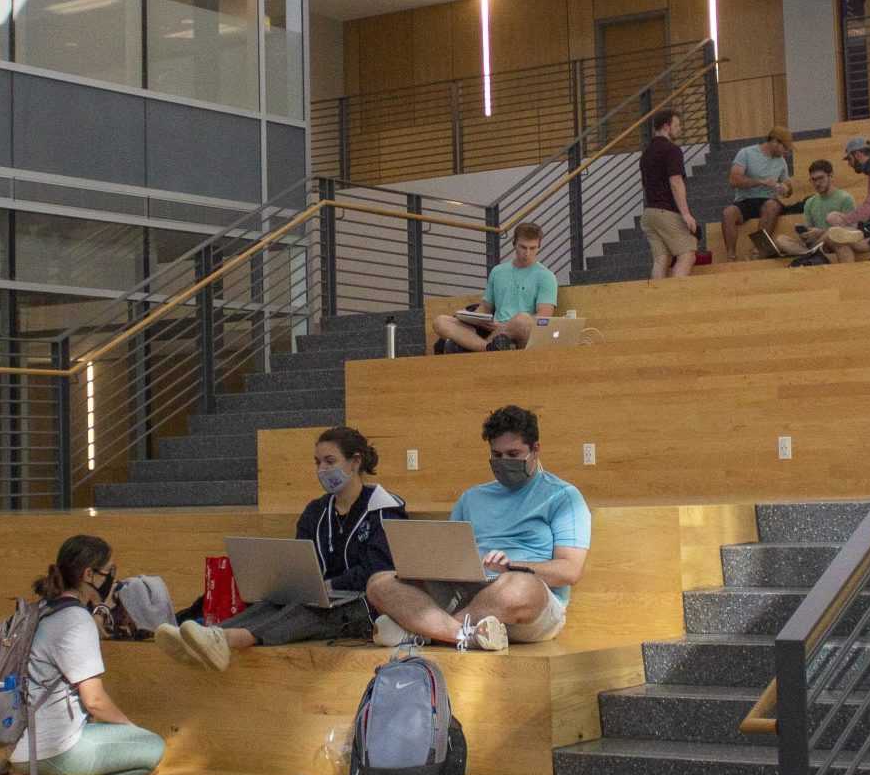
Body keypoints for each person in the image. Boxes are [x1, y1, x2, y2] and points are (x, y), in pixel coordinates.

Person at [159, 427, 406, 671]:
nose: (322, 469)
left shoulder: (383, 509)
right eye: (317, 462)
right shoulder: (315, 512)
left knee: (309, 610)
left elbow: (379, 571)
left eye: (330, 461)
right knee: (273, 603)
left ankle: (229, 640)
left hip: (362, 606)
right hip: (321, 597)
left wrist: (329, 586)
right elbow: (301, 564)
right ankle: (208, 637)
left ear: (355, 462)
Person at [365, 405, 589, 653]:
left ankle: (426, 630)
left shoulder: (563, 496)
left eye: (513, 454)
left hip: (528, 603)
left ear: (535, 449)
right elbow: (449, 556)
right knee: (379, 582)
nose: (504, 462)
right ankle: (463, 634)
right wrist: (426, 567)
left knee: (521, 587)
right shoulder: (471, 497)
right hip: (468, 593)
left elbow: (570, 571)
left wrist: (512, 566)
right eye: (497, 455)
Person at [6, 534, 166, 775]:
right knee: (154, 745)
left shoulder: (44, 608)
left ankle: (45, 773)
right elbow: (94, 701)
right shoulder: (76, 621)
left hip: (24, 746)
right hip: (57, 749)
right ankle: (54, 772)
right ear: (89, 575)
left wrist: (100, 612)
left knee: (142, 771)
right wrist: (131, 729)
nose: (112, 580)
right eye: (108, 571)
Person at [433, 221, 558, 352]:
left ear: (539, 247)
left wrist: (507, 325)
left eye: (533, 248)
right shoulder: (498, 271)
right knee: (440, 321)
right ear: (514, 244)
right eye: (523, 247)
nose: (527, 253)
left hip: (520, 329)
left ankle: (478, 347)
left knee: (523, 320)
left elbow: (543, 318)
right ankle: (488, 348)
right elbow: (486, 307)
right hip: (492, 328)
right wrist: (474, 319)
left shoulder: (546, 276)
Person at [636, 107, 700, 280]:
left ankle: (658, 300)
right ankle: (676, 300)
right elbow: (675, 181)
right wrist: (686, 214)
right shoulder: (672, 150)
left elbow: (645, 183)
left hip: (650, 213)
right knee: (687, 254)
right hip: (666, 212)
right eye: (677, 125)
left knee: (661, 259)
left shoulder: (646, 153)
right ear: (666, 126)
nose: (680, 129)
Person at [719, 128, 796, 260]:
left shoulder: (781, 161)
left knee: (772, 205)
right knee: (728, 213)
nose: (786, 152)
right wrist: (761, 182)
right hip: (745, 200)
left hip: (768, 201)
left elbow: (789, 187)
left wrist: (785, 189)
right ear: (775, 142)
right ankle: (731, 256)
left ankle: (758, 250)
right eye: (785, 148)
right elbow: (734, 180)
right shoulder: (746, 153)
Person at [785, 158, 855, 259]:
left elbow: (851, 231)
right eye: (813, 180)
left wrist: (822, 232)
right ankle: (810, 253)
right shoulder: (810, 202)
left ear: (830, 176)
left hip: (834, 242)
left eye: (820, 178)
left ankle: (810, 253)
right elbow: (809, 229)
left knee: (833, 232)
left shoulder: (845, 198)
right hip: (816, 242)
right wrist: (806, 234)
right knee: (781, 240)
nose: (817, 183)